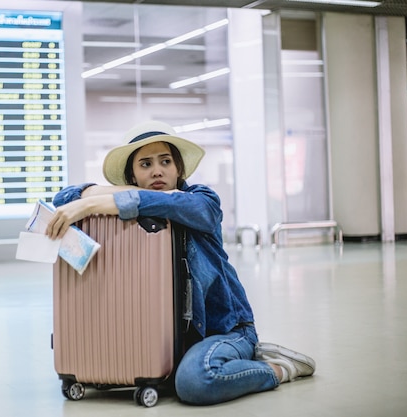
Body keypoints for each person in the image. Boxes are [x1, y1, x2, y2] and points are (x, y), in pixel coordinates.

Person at [46, 121, 315, 405]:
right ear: (132, 176)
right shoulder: (133, 209)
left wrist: (90, 205)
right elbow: (63, 198)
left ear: (179, 169)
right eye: (145, 164)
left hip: (222, 329)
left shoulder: (202, 200)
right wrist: (120, 194)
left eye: (165, 161)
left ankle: (277, 367)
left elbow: (172, 205)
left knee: (194, 381)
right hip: (164, 336)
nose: (157, 170)